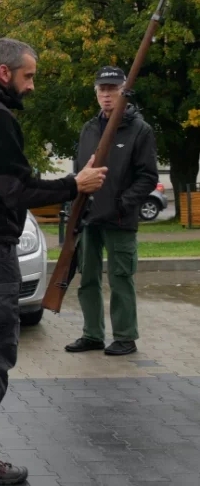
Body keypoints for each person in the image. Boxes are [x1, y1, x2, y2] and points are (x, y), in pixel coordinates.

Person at [0, 39, 107, 484]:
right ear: (5, 73)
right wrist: (75, 184)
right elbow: (16, 189)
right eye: (28, 76)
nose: (32, 85)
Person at [65, 67, 158, 356]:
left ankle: (125, 336)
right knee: (87, 279)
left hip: (120, 219)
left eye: (112, 89)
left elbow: (147, 176)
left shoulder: (139, 130)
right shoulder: (89, 129)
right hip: (89, 217)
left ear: (123, 93)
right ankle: (92, 334)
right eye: (102, 90)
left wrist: (123, 203)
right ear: (96, 94)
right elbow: (80, 170)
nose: (107, 95)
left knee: (120, 279)